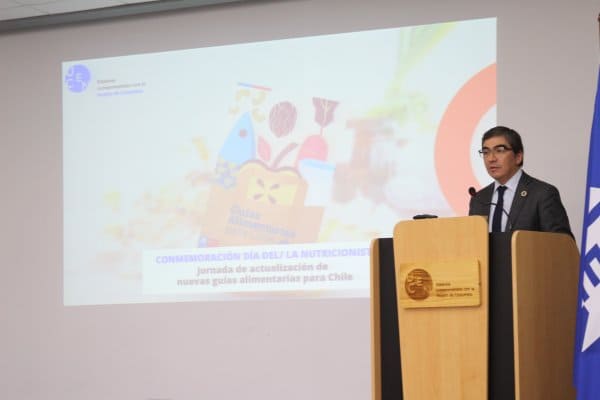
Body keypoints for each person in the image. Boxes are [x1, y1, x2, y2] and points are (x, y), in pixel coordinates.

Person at [468, 126, 573, 237]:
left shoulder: (542, 194)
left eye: (499, 151)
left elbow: (563, 242)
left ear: (518, 157)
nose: (491, 159)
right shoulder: (479, 199)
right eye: (486, 152)